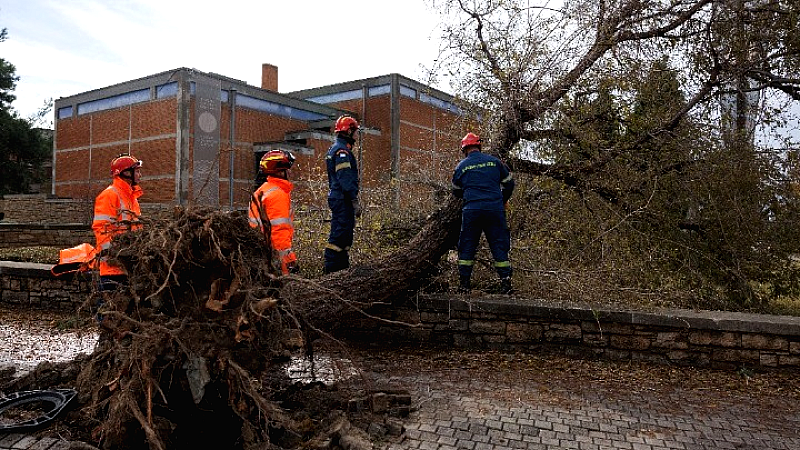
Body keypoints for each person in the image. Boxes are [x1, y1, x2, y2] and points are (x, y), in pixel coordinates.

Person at [451, 132, 515, 294]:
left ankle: (464, 284)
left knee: (467, 245)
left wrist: (470, 195)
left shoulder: (461, 166)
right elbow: (509, 184)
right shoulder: (494, 162)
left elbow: (456, 191)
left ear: (464, 149)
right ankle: (506, 283)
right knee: (499, 244)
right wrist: (501, 199)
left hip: (472, 210)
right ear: (479, 146)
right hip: (494, 209)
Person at [92, 154, 143, 296]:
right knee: (108, 311)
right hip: (113, 269)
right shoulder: (109, 195)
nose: (140, 174)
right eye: (137, 171)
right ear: (126, 173)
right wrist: (115, 256)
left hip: (129, 266)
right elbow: (102, 230)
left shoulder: (132, 198)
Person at [249, 149, 299, 275]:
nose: (291, 172)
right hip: (273, 258)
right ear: (280, 172)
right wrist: (289, 263)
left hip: (259, 255)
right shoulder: (278, 195)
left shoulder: (262, 191)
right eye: (288, 169)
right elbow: (279, 233)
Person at [324, 115, 362, 274]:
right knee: (339, 236)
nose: (356, 135)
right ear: (348, 131)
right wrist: (354, 199)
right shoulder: (341, 151)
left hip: (341, 198)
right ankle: (331, 272)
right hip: (343, 199)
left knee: (345, 236)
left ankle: (342, 271)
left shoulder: (339, 148)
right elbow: (345, 178)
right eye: (355, 132)